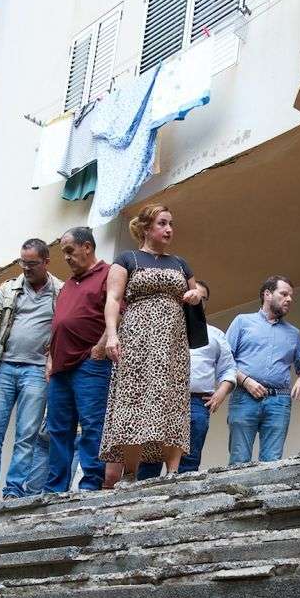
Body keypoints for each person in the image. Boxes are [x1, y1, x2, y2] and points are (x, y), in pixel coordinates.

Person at [100, 202, 203, 484]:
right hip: (136, 338)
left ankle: (172, 471)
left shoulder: (180, 263)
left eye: (171, 224)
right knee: (134, 398)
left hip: (172, 342)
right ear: (146, 228)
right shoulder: (127, 258)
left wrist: (197, 294)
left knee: (172, 398)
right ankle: (131, 473)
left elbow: (197, 290)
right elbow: (113, 299)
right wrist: (112, 334)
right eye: (162, 223)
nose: (169, 229)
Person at [0, 239, 62, 507]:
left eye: (31, 264)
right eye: (22, 263)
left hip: (37, 370)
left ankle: (14, 491)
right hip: (3, 366)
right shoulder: (9, 288)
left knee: (26, 435)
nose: (26, 269)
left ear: (46, 262)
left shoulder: (60, 291)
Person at [136, 280, 235, 478]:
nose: (194, 299)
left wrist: (220, 394)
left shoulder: (215, 334)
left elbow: (229, 369)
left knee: (189, 461)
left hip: (197, 402)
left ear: (204, 302)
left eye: (201, 297)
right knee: (151, 458)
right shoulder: (160, 330)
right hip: (160, 400)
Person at [44, 227, 114, 493]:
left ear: (87, 247)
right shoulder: (68, 285)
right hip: (60, 368)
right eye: (64, 253)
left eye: (70, 251)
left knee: (92, 425)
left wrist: (100, 346)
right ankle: (55, 488)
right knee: (58, 430)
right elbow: (57, 324)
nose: (67, 258)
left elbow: (117, 314)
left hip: (90, 363)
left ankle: (90, 483)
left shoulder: (108, 273)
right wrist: (50, 360)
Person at [226, 276, 300, 464]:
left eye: (291, 296)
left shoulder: (294, 333)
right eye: (284, 294)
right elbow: (225, 361)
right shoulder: (242, 322)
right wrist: (246, 381)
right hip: (244, 397)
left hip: (279, 401)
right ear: (267, 294)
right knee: (239, 459)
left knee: (272, 462)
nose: (289, 299)